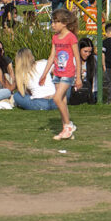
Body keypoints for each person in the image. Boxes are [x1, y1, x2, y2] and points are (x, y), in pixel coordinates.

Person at [38, 9, 81, 140]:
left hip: (68, 73)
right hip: (57, 72)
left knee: (57, 98)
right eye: (52, 22)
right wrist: (44, 74)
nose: (53, 25)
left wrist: (78, 77)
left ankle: (68, 125)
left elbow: (77, 58)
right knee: (62, 100)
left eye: (56, 22)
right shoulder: (55, 38)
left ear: (64, 23)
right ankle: (66, 129)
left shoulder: (71, 37)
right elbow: (52, 56)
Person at [69, 37, 98, 105]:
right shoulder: (73, 60)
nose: (88, 54)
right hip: (75, 89)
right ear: (79, 50)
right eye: (85, 51)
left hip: (92, 90)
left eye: (90, 52)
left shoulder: (94, 60)